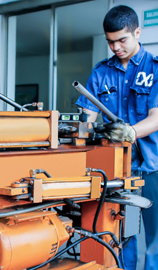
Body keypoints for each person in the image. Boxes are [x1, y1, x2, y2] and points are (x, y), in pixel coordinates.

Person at [76, 5, 158, 270]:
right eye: (110, 42)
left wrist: (131, 132)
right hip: (117, 170)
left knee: (155, 240)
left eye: (122, 40)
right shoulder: (101, 72)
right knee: (122, 234)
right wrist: (77, 134)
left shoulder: (155, 69)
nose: (116, 47)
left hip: (153, 167)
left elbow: (156, 118)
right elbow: (85, 120)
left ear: (137, 32)